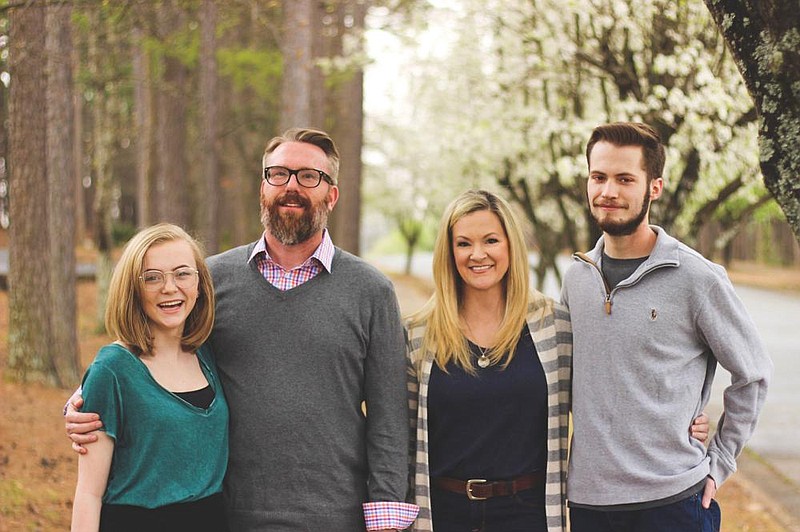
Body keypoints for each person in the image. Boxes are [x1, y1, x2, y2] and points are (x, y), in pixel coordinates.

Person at [67, 128, 418, 531]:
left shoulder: (370, 291)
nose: (291, 186)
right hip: (230, 516)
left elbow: (389, 418)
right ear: (262, 189)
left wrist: (387, 519)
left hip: (335, 516)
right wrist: (83, 401)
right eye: (278, 174)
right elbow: (152, 349)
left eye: (309, 176)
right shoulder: (210, 280)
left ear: (331, 195)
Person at [562, 122, 772, 531]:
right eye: (598, 177)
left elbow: (754, 374)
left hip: (673, 503)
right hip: (590, 504)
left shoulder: (698, 278)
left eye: (625, 179)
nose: (609, 192)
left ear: (654, 187)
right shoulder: (577, 277)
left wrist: (720, 461)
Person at [406, 189, 572, 532]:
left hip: (526, 514)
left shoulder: (553, 325)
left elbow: (601, 404)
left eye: (491, 240)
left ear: (510, 244)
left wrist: (683, 421)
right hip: (443, 513)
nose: (477, 254)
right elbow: (399, 438)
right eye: (463, 243)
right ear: (449, 252)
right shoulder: (418, 334)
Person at [70, 223, 229, 532]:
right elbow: (88, 493)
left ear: (200, 284)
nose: (169, 288)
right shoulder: (112, 369)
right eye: (152, 277)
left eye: (182, 274)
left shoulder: (208, 355)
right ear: (133, 288)